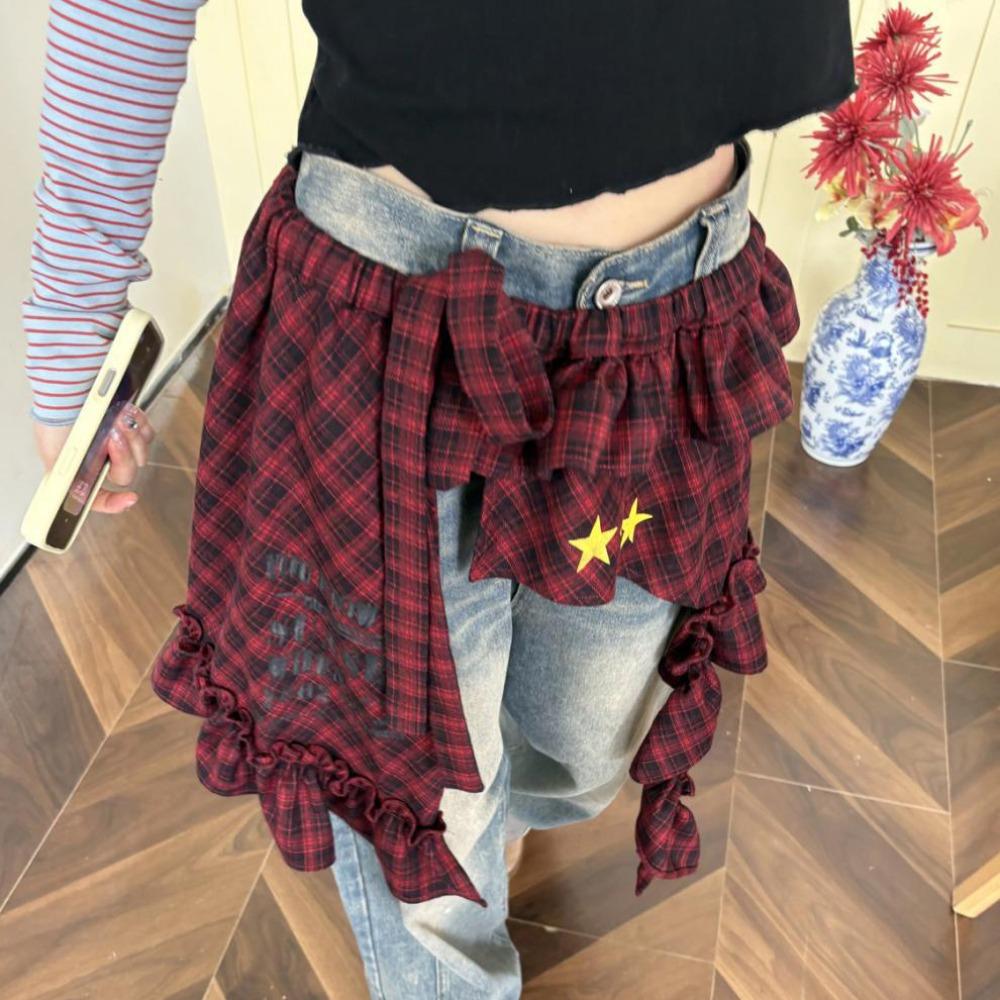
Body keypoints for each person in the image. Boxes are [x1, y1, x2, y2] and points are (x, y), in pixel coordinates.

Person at [23, 3, 856, 997]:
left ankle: (497, 825)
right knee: (415, 788)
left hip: (673, 312)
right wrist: (72, 318)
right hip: (393, 310)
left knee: (587, 734)